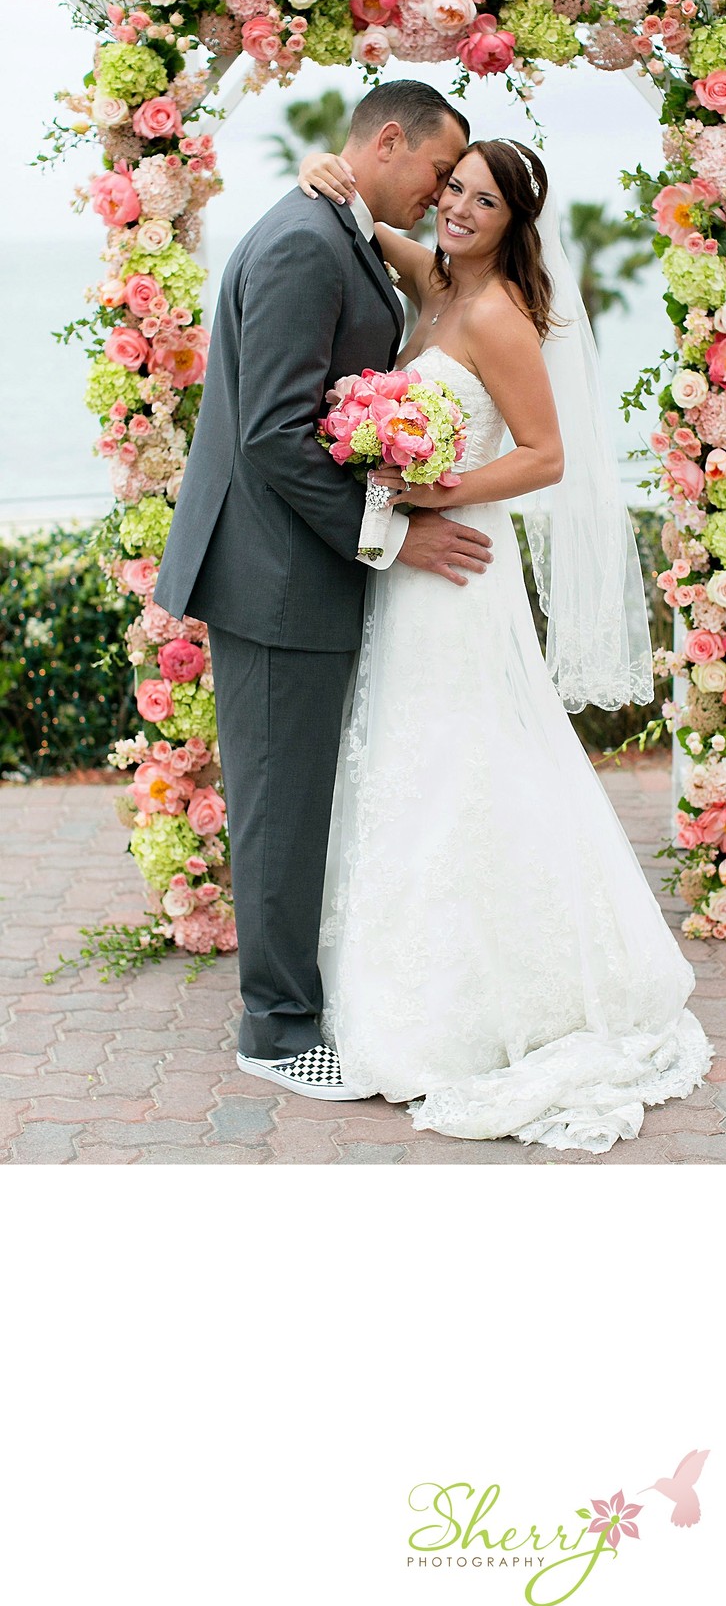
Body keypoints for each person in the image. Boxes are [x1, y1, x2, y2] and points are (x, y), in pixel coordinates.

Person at [292, 135, 713, 1153]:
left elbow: (546, 454)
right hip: (413, 573)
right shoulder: (432, 276)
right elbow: (368, 217)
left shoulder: (493, 314)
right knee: (410, 752)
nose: (459, 209)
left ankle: (487, 987)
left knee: (464, 753)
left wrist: (444, 487)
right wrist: (322, 170)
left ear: (516, 224)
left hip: (462, 567)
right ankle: (413, 959)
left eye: (482, 200)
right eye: (454, 189)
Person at [154, 82, 486, 1102]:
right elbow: (272, 434)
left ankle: (299, 994)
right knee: (279, 808)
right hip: (274, 578)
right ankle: (277, 1027)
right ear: (389, 140)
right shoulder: (305, 239)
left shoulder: (335, 223)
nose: (438, 194)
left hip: (292, 571)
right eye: (437, 170)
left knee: (296, 800)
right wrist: (388, 531)